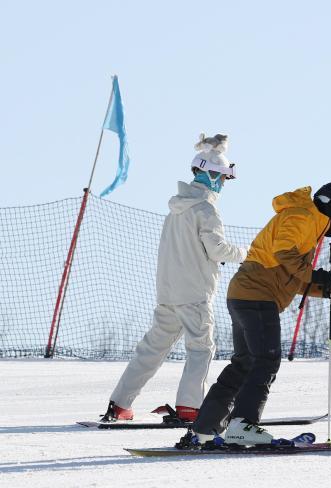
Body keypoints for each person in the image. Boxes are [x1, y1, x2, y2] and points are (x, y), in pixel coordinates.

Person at [181, 183, 331, 447]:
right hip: (257, 296)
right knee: (265, 360)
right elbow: (284, 253)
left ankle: (205, 428)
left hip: (246, 293)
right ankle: (242, 425)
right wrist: (314, 275)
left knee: (244, 363)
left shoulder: (307, 218)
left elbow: (287, 274)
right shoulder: (304, 216)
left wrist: (322, 288)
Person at [102, 133, 247, 422]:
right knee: (201, 348)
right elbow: (217, 249)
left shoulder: (175, 210)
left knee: (152, 349)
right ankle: (190, 407)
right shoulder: (206, 209)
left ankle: (119, 404)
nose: (223, 184)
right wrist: (246, 253)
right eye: (222, 178)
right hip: (195, 293)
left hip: (168, 294)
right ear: (212, 175)